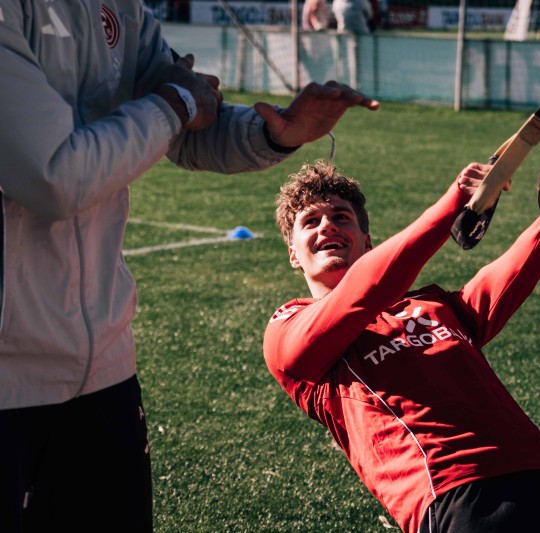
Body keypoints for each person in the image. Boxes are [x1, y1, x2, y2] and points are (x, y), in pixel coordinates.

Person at [0, 0, 379, 530]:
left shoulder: (123, 10)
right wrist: (176, 103)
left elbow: (188, 124)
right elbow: (52, 176)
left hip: (104, 364)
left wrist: (278, 131)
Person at [264, 157, 540, 532]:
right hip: (456, 496)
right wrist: (455, 203)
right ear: (294, 254)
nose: (327, 225)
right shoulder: (287, 328)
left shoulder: (435, 305)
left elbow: (515, 271)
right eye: (310, 221)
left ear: (368, 241)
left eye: (341, 216)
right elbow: (368, 288)